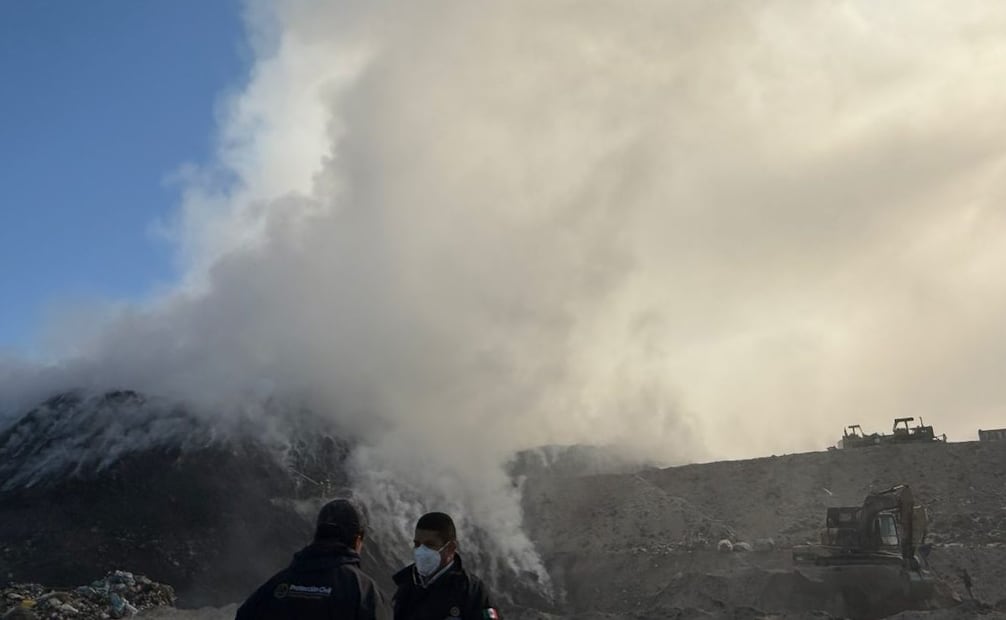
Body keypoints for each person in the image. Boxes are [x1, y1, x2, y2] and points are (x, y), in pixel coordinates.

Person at [236, 498, 390, 619]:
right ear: (358, 539)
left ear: (318, 534)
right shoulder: (363, 591)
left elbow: (244, 615)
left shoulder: (276, 585)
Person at [392, 512, 500, 620]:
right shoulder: (406, 584)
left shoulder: (472, 591)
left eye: (430, 545)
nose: (421, 551)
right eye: (417, 544)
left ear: (451, 548)